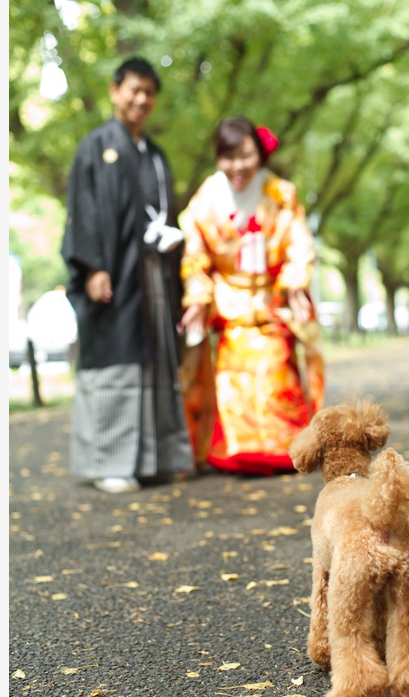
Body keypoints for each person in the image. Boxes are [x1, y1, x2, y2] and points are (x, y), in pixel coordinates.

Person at [60, 56, 194, 494]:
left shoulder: (153, 154)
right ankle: (110, 462)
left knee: (156, 359)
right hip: (113, 274)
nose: (141, 99)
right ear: (115, 91)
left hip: (153, 275)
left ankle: (158, 459)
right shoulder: (95, 146)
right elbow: (83, 211)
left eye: (149, 93)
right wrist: (94, 267)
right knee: (117, 364)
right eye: (133, 89)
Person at [177, 116, 325, 475]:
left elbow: (299, 245)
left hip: (271, 302)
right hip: (231, 307)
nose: (237, 166)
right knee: (233, 379)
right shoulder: (204, 201)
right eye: (228, 157)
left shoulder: (280, 194)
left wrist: (294, 284)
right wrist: (197, 299)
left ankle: (284, 448)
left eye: (245, 155)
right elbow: (195, 257)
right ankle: (236, 450)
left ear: (259, 153)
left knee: (276, 373)